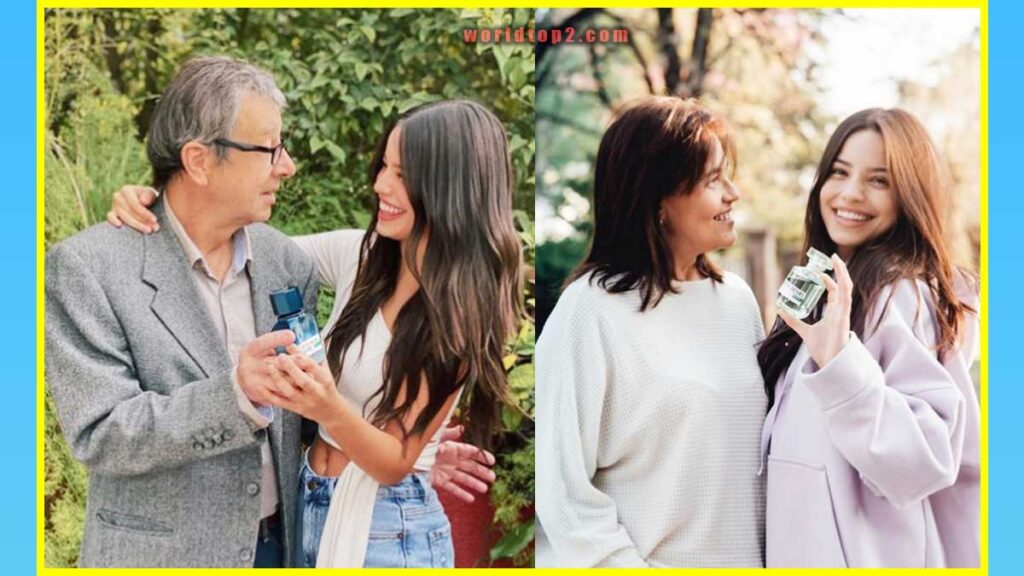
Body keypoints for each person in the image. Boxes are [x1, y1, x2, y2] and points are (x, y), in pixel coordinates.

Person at [46, 57, 491, 569]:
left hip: (291, 545)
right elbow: (100, 433)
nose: (288, 165)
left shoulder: (284, 261)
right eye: (270, 148)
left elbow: (297, 414)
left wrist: (408, 454)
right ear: (198, 161)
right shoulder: (90, 267)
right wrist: (234, 394)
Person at [535, 97, 766, 567]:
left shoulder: (737, 301)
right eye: (712, 180)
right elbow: (561, 489)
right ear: (658, 199)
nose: (732, 193)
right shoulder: (591, 309)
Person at [757, 108, 980, 567]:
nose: (850, 194)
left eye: (879, 180)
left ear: (909, 196)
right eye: (839, 172)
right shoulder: (831, 290)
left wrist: (840, 364)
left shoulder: (900, 294)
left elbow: (928, 454)